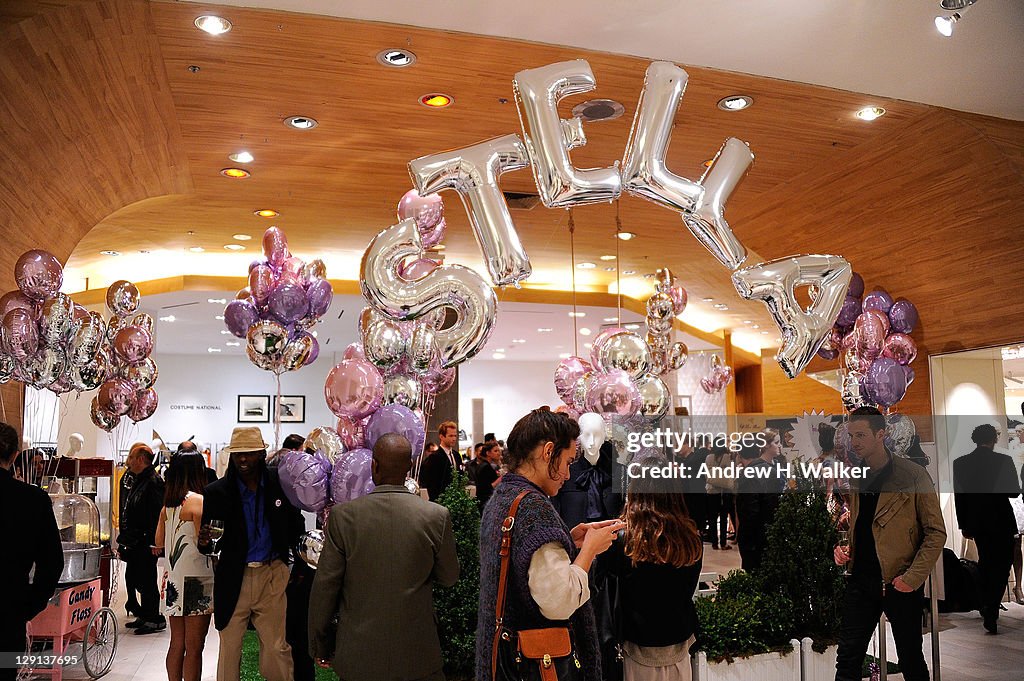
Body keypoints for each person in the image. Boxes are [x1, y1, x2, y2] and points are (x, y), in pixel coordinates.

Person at [476, 408, 624, 681]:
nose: (568, 475)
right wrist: (589, 551)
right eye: (568, 462)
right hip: (535, 665)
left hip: (503, 660)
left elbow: (524, 567)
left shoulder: (503, 496)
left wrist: (568, 540)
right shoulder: (533, 507)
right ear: (547, 452)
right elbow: (559, 601)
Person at [308, 434, 459, 681]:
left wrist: (320, 645)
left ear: (373, 466)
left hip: (358, 657)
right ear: (410, 468)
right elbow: (449, 577)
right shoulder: (436, 516)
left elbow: (325, 588)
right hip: (418, 655)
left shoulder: (343, 517)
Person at [833, 407, 946, 681]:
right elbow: (861, 523)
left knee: (910, 658)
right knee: (847, 657)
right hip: (861, 581)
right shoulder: (857, 475)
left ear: (881, 434)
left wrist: (913, 578)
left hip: (899, 581)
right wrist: (844, 548)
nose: (855, 442)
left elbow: (935, 532)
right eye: (851, 435)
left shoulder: (913, 475)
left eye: (861, 435)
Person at [199, 427, 305, 681]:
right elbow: (208, 543)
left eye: (249, 453)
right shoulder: (216, 492)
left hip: (272, 574)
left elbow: (295, 524)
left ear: (261, 453)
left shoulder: (280, 485)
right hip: (234, 576)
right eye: (238, 454)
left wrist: (296, 564)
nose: (243, 459)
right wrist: (204, 542)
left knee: (277, 648)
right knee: (229, 649)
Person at [601, 459, 704, 681]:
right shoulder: (690, 537)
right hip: (679, 641)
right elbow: (689, 588)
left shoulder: (624, 540)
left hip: (636, 645)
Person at [0, 422, 63, 681]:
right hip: (7, 610)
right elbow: (52, 563)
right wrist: (30, 604)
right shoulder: (33, 499)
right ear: (15, 456)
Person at [953, 423, 1022, 633]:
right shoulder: (1003, 460)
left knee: (986, 562)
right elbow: (1013, 493)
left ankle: (986, 603)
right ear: (993, 439)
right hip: (1000, 519)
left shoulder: (961, 463)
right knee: (1003, 563)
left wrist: (963, 524)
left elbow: (960, 497)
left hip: (977, 521)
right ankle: (991, 606)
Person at [155, 451, 214, 681]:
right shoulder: (198, 500)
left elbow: (158, 542)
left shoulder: (168, 506)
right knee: (195, 646)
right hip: (196, 579)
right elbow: (204, 542)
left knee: (177, 643)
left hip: (172, 580)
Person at [118, 442, 167, 634]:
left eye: (131, 457)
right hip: (136, 540)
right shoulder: (140, 479)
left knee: (146, 579)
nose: (128, 462)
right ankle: (145, 615)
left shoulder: (153, 482)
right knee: (137, 576)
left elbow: (156, 514)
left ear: (140, 459)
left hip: (145, 541)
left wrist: (154, 541)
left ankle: (154, 618)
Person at [734, 431, 782, 572]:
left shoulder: (747, 475)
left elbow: (749, 514)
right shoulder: (772, 471)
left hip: (754, 540)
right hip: (772, 536)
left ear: (739, 455)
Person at [419, 420, 461, 501]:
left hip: (455, 500)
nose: (454, 439)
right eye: (451, 436)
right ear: (441, 437)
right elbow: (431, 482)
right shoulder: (434, 457)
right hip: (440, 500)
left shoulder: (456, 455)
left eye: (455, 436)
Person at [704, 445, 735, 551]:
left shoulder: (708, 457)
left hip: (711, 490)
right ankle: (723, 543)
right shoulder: (726, 456)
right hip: (723, 492)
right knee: (723, 518)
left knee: (712, 518)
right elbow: (728, 472)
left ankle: (714, 543)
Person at [475, 441, 502, 512]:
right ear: (488, 453)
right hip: (486, 503)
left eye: (499, 450)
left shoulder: (483, 465)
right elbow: (487, 488)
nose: (498, 453)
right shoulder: (486, 467)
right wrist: (501, 478)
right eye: (495, 451)